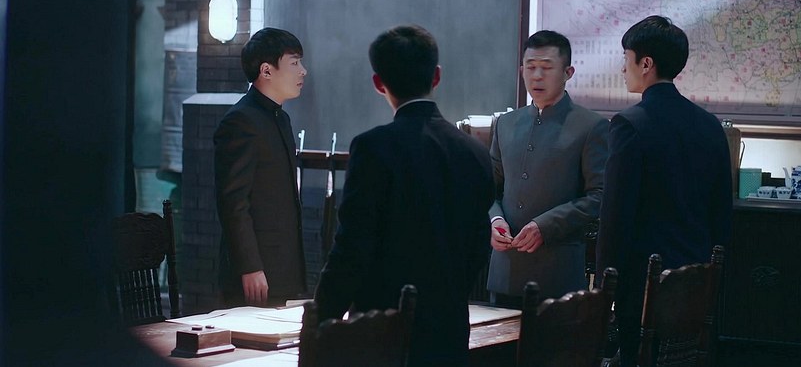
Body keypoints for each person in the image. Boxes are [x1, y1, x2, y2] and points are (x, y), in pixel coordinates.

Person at [314, 24, 494, 367]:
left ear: (378, 83)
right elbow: (478, 246)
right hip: (450, 331)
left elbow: (352, 248)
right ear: (436, 76)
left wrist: (320, 322)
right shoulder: (474, 151)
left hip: (382, 334)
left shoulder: (373, 148)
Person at [595, 15, 733, 367]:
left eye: (626, 59)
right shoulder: (710, 125)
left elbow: (615, 218)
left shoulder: (629, 125)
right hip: (696, 284)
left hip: (644, 288)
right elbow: (721, 213)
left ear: (646, 64)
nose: (623, 68)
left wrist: (603, 291)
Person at [487, 30, 608, 307]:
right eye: (531, 67)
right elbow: (489, 188)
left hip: (558, 273)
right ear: (522, 71)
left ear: (568, 72)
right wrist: (494, 220)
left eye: (547, 67)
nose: (537, 76)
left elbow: (599, 196)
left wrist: (545, 226)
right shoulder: (506, 123)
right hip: (505, 270)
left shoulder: (591, 126)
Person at [214, 27, 308, 307]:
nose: (303, 71)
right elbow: (233, 202)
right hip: (256, 272)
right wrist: (250, 266)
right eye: (294, 63)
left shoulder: (281, 118)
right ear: (266, 70)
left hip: (285, 265)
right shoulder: (241, 121)